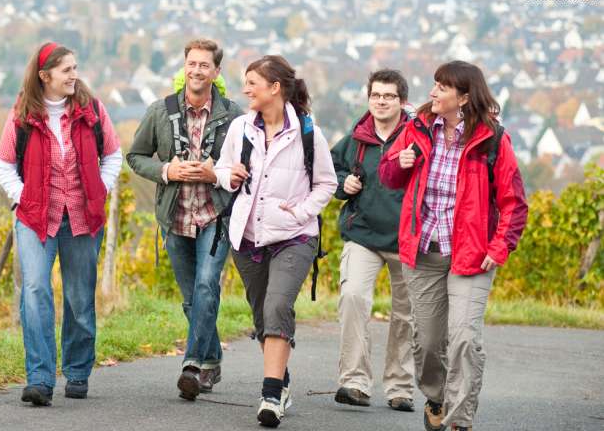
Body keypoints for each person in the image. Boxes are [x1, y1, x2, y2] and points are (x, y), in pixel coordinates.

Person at [378, 60, 528, 431]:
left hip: (472, 255)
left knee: (464, 339)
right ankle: (437, 396)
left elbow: (514, 203)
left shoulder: (492, 139)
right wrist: (401, 161)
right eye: (434, 85)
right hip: (423, 250)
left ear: (463, 96)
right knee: (427, 342)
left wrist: (500, 246)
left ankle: (460, 420)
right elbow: (387, 175)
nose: (432, 93)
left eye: (441, 87)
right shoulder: (418, 127)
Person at [0, 42, 122, 407]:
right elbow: (3, 164)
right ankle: (40, 378)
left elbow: (113, 154)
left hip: (82, 217)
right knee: (34, 290)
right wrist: (24, 198)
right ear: (44, 75)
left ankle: (78, 371)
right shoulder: (22, 114)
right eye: (66, 70)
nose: (74, 75)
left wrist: (101, 189)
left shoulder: (92, 109)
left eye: (75, 68)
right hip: (37, 219)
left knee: (80, 297)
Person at [214, 55, 337, 428]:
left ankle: (270, 396)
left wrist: (301, 213)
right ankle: (280, 379)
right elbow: (221, 167)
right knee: (260, 314)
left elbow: (326, 184)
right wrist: (227, 175)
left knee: (277, 306)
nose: (246, 89)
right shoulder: (241, 128)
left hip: (293, 237)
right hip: (248, 236)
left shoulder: (308, 134)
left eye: (252, 82)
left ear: (275, 89)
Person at [126, 38, 243, 401]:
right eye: (191, 64)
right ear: (184, 67)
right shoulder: (160, 111)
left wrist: (217, 173)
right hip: (174, 216)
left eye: (204, 65)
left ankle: (192, 365)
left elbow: (247, 165)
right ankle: (212, 360)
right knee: (192, 296)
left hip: (215, 215)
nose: (196, 70)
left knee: (207, 285)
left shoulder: (234, 115)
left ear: (216, 72)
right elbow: (135, 155)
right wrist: (167, 169)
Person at [329, 69, 416, 412]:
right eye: (376, 95)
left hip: (406, 237)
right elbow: (330, 170)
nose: (381, 101)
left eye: (389, 96)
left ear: (402, 101)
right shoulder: (358, 136)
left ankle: (400, 387)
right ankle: (354, 381)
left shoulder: (416, 136)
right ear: (369, 98)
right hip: (362, 233)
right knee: (352, 297)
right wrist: (343, 184)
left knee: (406, 315)